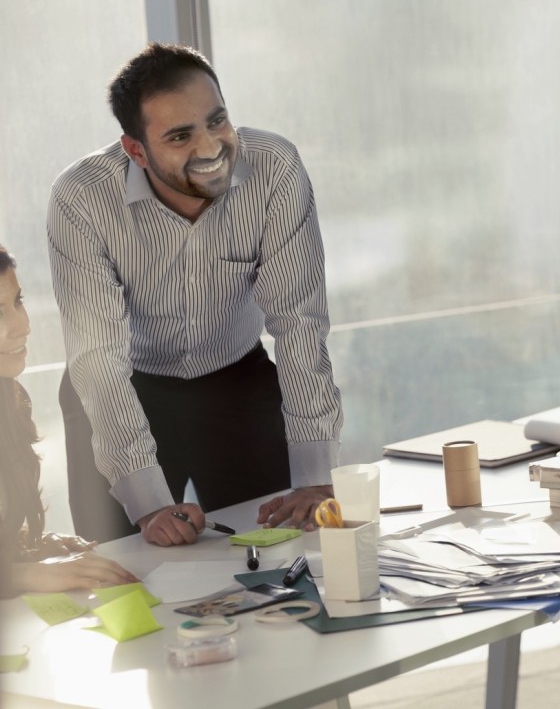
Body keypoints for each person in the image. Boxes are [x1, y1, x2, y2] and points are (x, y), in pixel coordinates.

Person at [49, 43, 343, 547]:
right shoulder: (82, 198)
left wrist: (315, 477)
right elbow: (98, 360)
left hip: (235, 379)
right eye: (181, 136)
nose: (209, 148)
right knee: (126, 571)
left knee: (279, 550)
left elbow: (299, 324)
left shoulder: (275, 168)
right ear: (136, 150)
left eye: (217, 121)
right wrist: (146, 502)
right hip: (123, 387)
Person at [0, 232, 138, 595]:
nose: (23, 326)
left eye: (17, 302)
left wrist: (32, 548)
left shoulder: (5, 401)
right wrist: (27, 575)